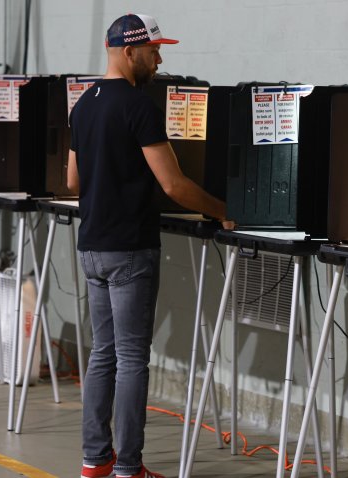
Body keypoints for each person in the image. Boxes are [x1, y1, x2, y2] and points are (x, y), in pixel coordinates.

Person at [67, 13, 234, 478]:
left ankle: (95, 461)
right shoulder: (138, 107)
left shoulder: (82, 106)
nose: (159, 60)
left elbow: (71, 179)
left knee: (102, 354)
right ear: (128, 51)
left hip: (91, 247)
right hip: (129, 250)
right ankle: (129, 469)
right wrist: (223, 209)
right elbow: (174, 185)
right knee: (133, 358)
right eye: (154, 50)